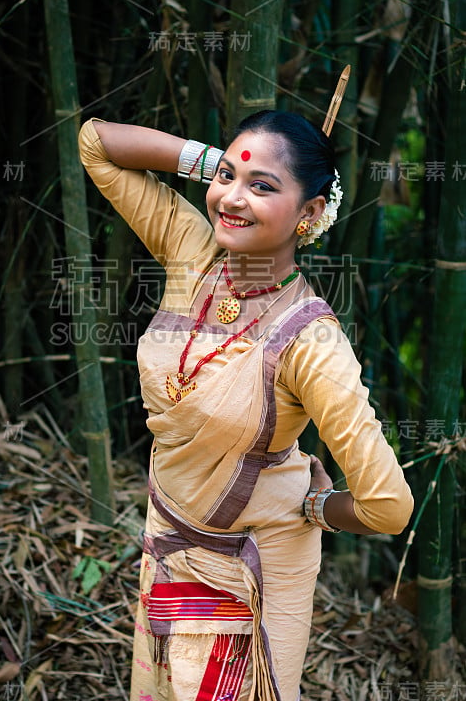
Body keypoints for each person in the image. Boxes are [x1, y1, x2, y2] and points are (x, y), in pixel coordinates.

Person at [78, 106, 413, 701]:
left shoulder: (310, 341)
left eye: (262, 187)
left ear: (311, 213)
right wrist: (227, 167)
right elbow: (96, 142)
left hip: (247, 571)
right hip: (170, 536)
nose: (232, 199)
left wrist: (316, 506)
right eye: (226, 177)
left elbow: (388, 507)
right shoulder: (195, 252)